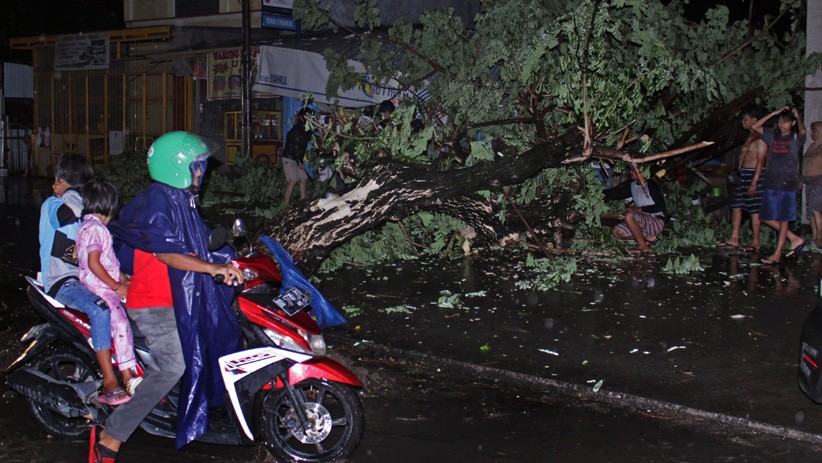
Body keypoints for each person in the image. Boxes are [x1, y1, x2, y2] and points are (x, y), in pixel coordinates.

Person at [90, 132, 243, 462]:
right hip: (153, 304)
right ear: (179, 167)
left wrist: (231, 260)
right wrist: (210, 269)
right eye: (198, 166)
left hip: (175, 299)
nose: (202, 173)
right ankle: (113, 434)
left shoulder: (180, 199)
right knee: (173, 367)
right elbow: (167, 254)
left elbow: (202, 241)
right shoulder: (159, 202)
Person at [38, 154, 130, 406]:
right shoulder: (53, 206)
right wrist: (69, 190)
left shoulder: (86, 216)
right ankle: (110, 381)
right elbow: (66, 216)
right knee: (100, 311)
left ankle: (128, 367)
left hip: (83, 280)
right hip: (61, 280)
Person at [76, 178, 141, 398]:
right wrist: (115, 286)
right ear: (109, 206)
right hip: (101, 288)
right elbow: (95, 263)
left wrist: (122, 278)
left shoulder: (86, 225)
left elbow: (108, 261)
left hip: (96, 283)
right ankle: (127, 376)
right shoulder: (98, 229)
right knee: (121, 323)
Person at [751, 106, 807, 264]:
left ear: (793, 123)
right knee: (765, 216)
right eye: (780, 122)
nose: (782, 125)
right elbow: (755, 127)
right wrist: (774, 113)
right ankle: (794, 239)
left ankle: (777, 253)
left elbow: (803, 132)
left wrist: (797, 116)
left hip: (788, 184)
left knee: (783, 219)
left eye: (786, 122)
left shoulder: (795, 138)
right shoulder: (772, 136)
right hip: (771, 183)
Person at [716, 105, 767, 251]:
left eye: (746, 119)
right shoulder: (750, 136)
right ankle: (734, 237)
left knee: (754, 209)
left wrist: (754, 182)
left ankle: (756, 241)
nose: (743, 122)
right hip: (744, 174)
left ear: (755, 120)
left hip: (755, 175)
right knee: (736, 205)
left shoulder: (761, 138)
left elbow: (761, 161)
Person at [603, 168, 667, 254]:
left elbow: (661, 206)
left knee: (629, 215)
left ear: (642, 173)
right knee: (617, 232)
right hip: (641, 223)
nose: (630, 172)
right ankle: (647, 238)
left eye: (633, 170)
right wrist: (600, 193)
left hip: (655, 221)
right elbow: (616, 193)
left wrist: (641, 209)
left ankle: (642, 246)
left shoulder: (651, 184)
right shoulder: (633, 185)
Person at [281, 108, 312, 206]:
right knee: (293, 180)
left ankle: (303, 201)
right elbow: (296, 147)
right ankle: (285, 206)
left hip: (296, 158)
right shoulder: (298, 130)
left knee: (303, 178)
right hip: (289, 158)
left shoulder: (303, 129)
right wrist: (300, 162)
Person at [802, 121, 822, 246]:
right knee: (811, 210)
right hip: (809, 182)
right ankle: (814, 236)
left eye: (814, 131)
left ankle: (820, 236)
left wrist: (820, 180)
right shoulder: (812, 146)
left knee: (816, 209)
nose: (812, 134)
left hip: (818, 182)